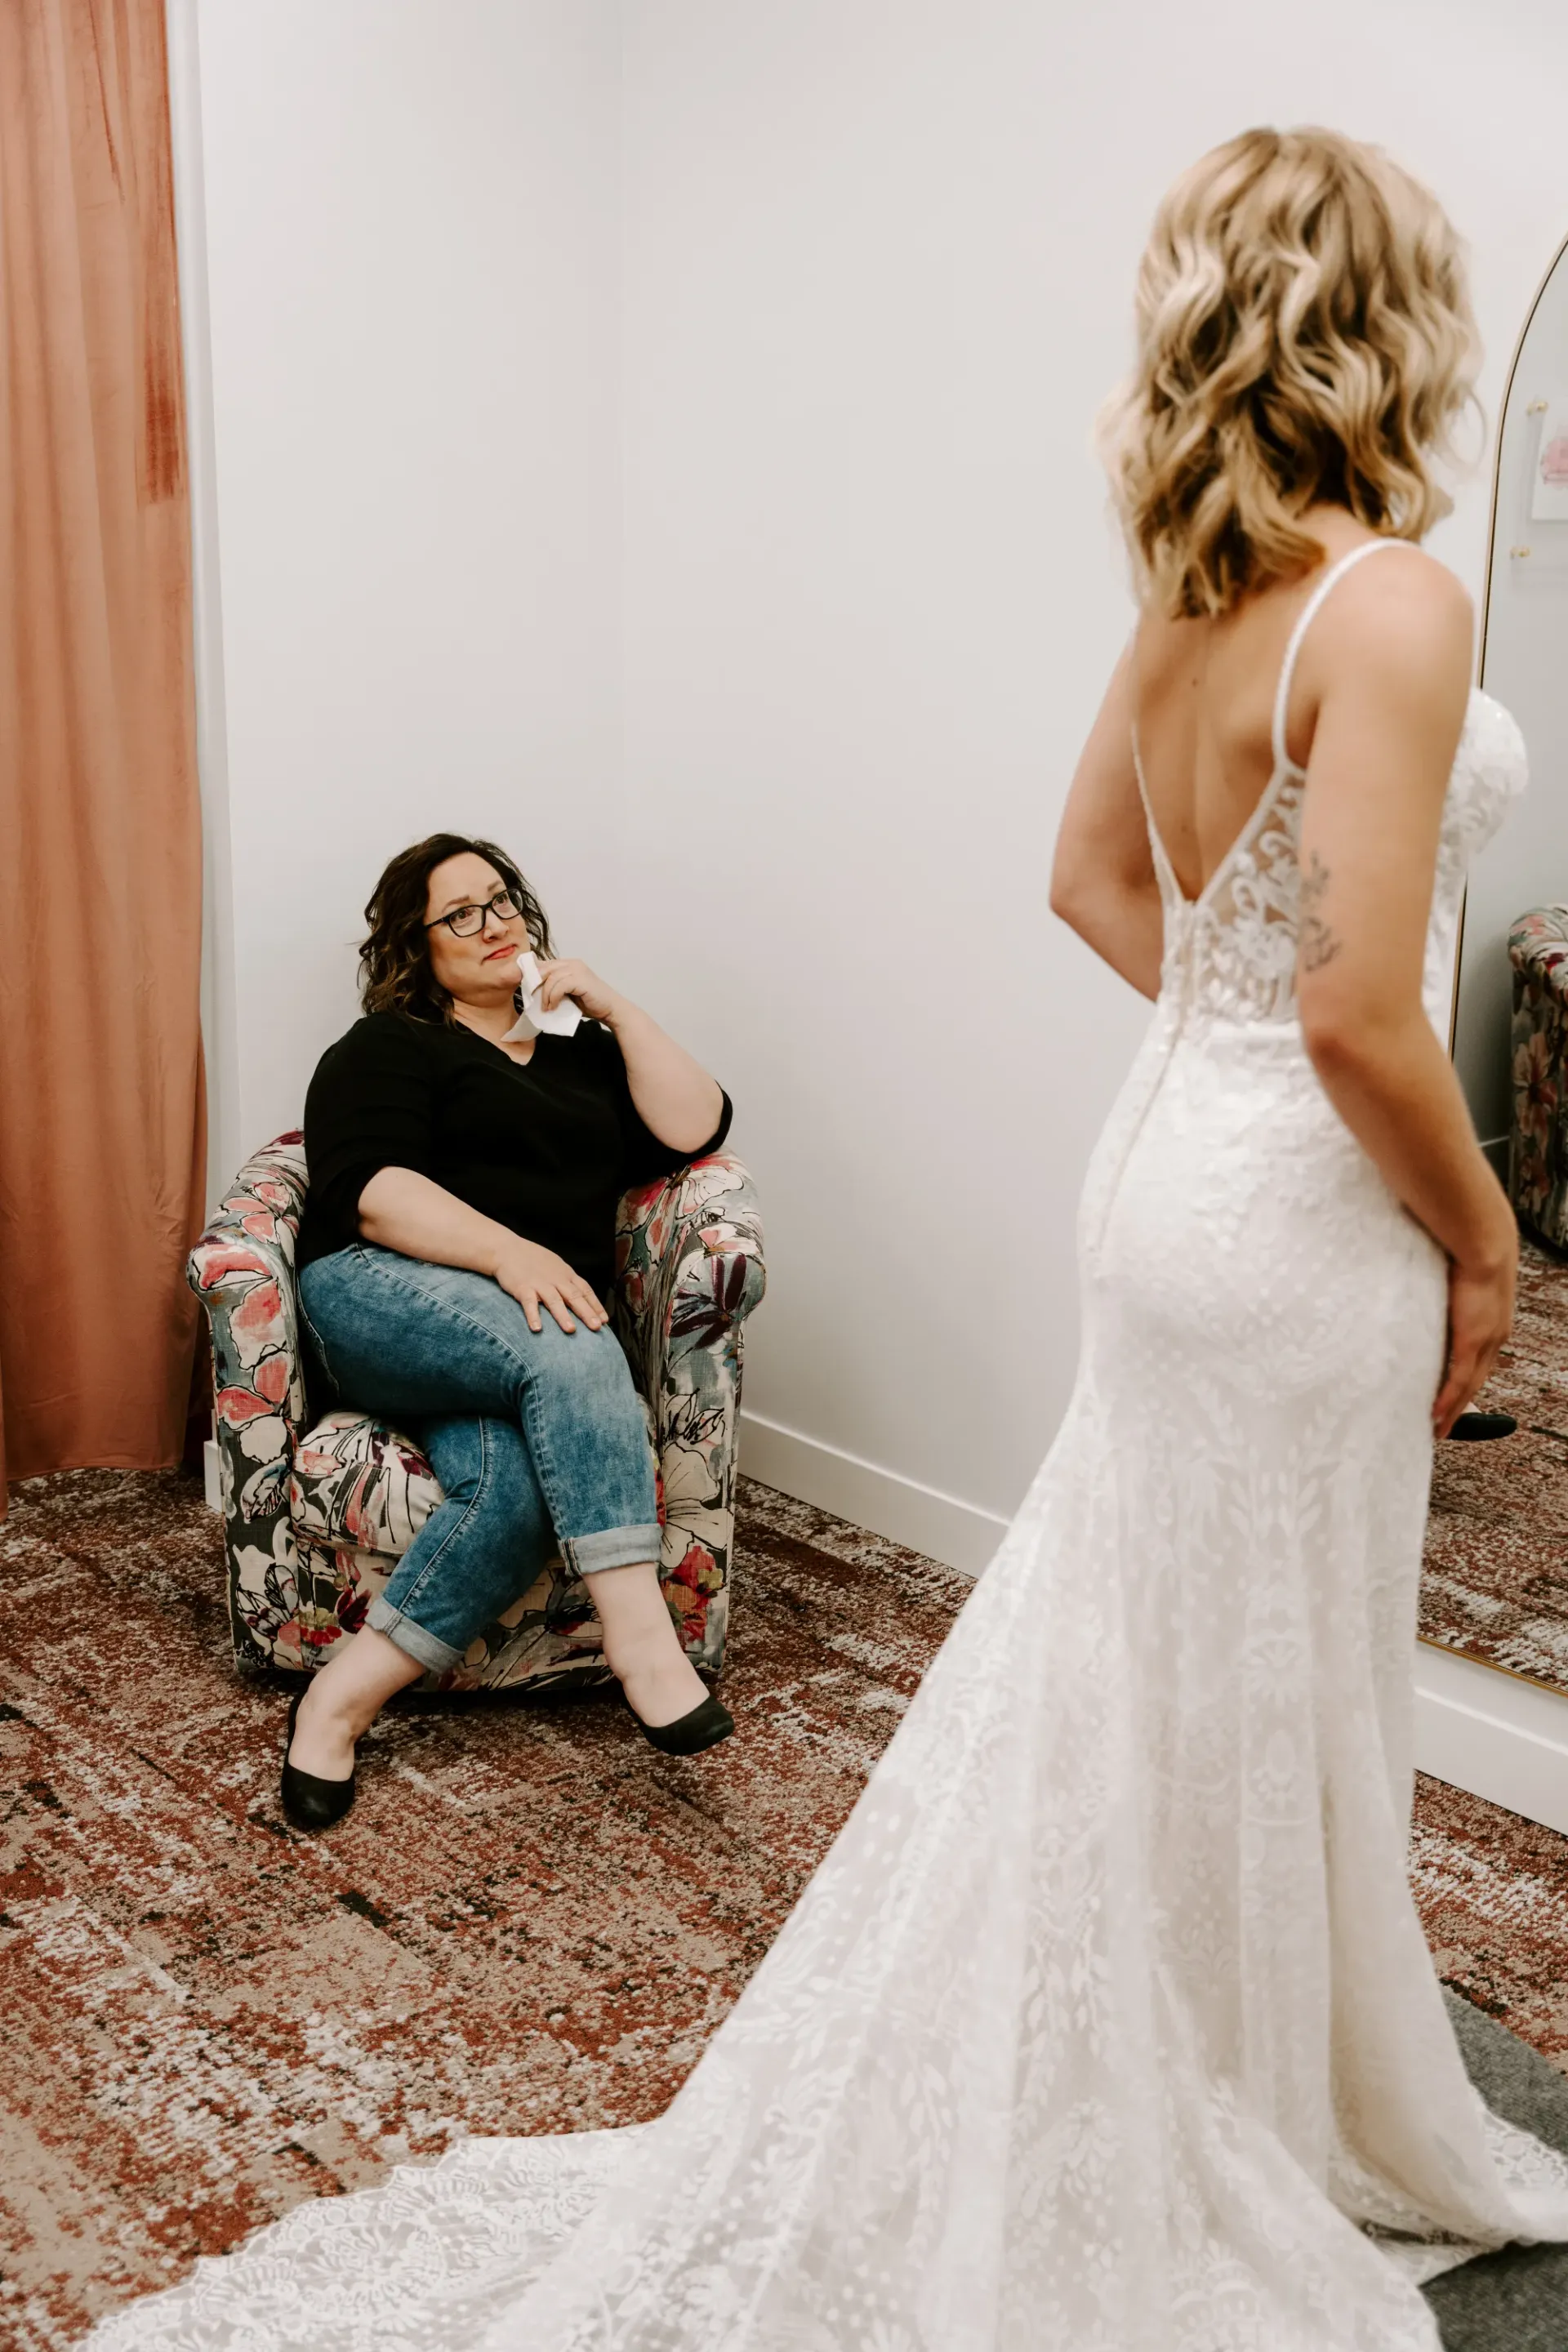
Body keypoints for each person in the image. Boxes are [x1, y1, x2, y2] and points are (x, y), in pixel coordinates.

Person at [90, 127, 1568, 2352]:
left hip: (1171, 1173)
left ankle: (1210, 2037)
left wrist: (1224, 1042)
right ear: (1392, 320)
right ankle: (1232, 2058)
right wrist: (1484, 1238)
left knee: (1168, 1630)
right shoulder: (1392, 600)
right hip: (1273, 1205)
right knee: (1275, 1637)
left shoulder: (1192, 599)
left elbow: (1071, 900)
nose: (493, 926)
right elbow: (1361, 1007)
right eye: (461, 911)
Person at [281, 831, 737, 1832]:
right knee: (573, 1329)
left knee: (518, 1492)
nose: (493, 923)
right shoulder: (389, 1046)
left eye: (502, 900)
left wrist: (615, 1009)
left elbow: (695, 1126)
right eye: (460, 914)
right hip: (377, 1297)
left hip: (520, 1341)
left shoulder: (585, 1058)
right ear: (418, 948)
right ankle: (643, 1642)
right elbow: (371, 1189)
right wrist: (511, 1254)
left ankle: (337, 1702)